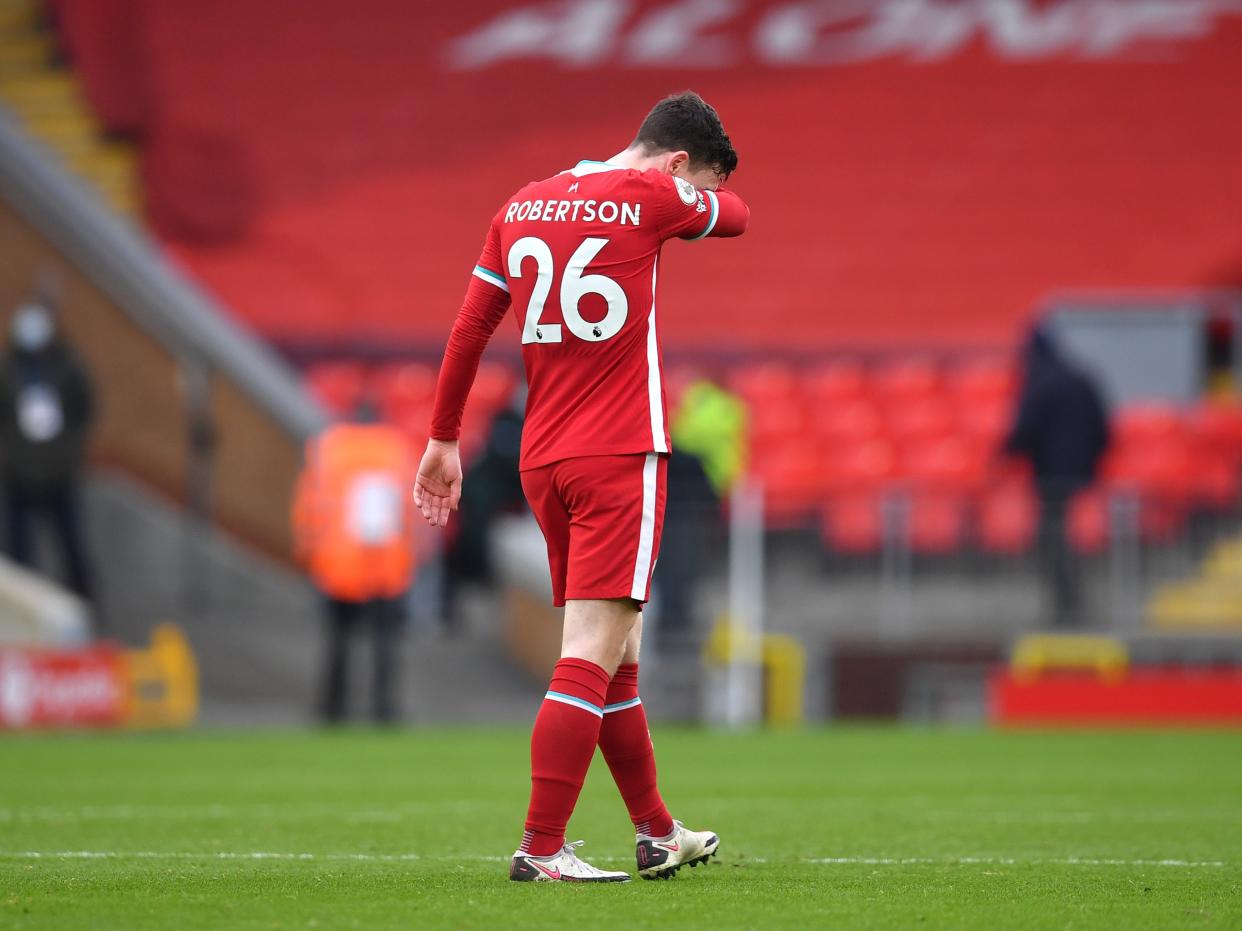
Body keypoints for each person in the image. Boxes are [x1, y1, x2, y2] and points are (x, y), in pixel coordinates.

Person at [415, 91, 749, 882]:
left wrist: (442, 438)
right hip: (619, 451)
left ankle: (658, 830)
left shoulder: (524, 202)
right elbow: (736, 216)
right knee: (590, 654)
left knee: (617, 657)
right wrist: (691, 192)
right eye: (693, 175)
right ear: (676, 164)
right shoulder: (652, 194)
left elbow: (470, 328)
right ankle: (541, 846)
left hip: (545, 458)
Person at [292, 402, 417, 723]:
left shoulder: (328, 446)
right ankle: (384, 709)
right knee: (385, 642)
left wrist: (306, 550)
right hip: (388, 564)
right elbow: (411, 508)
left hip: (337, 562)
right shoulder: (397, 447)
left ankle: (333, 709)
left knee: (337, 641)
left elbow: (309, 504)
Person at [1003, 325, 1111, 627]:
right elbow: (1103, 430)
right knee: (1061, 535)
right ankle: (1071, 601)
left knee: (1052, 537)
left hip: (1051, 477)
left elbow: (1025, 430)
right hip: (1081, 474)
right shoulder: (1082, 379)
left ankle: (1066, 603)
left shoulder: (1039, 383)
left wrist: (1004, 456)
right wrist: (1090, 462)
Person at [0, 296, 96, 607]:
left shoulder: (67, 367)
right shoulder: (8, 370)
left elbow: (84, 410)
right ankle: (19, 616)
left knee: (72, 549)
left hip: (59, 476)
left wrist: (68, 452)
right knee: (19, 554)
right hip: (19, 476)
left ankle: (87, 607)